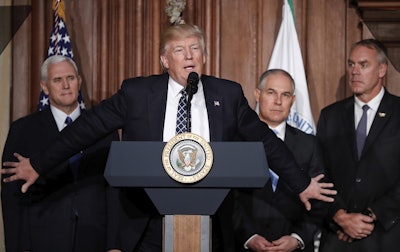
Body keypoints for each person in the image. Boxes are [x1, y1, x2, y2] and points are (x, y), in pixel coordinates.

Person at [2, 24, 335, 252]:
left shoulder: (227, 95)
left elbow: (265, 140)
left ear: (203, 56)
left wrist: (301, 182)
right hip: (147, 225)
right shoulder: (136, 93)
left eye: (194, 49)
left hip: (212, 226)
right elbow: (84, 129)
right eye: (179, 50)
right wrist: (40, 165)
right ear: (165, 60)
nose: (189, 56)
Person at [1, 55, 119, 252]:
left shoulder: (104, 130)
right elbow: (12, 196)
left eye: (70, 78)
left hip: (94, 238)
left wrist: (115, 245)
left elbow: (115, 190)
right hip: (42, 240)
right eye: (57, 80)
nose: (65, 85)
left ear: (79, 82)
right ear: (45, 87)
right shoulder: (22, 130)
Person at [317, 38, 400, 251]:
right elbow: (318, 172)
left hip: (386, 235)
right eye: (351, 64)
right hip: (337, 236)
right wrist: (340, 216)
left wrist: (371, 216)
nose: (354, 71)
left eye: (363, 65)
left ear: (382, 70)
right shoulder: (330, 116)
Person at [234, 69, 327, 252]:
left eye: (285, 95)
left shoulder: (309, 144)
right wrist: (249, 236)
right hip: (242, 244)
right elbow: (228, 197)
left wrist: (297, 238)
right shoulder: (236, 140)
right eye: (271, 93)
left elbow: (320, 198)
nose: (278, 101)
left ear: (292, 100)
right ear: (257, 95)